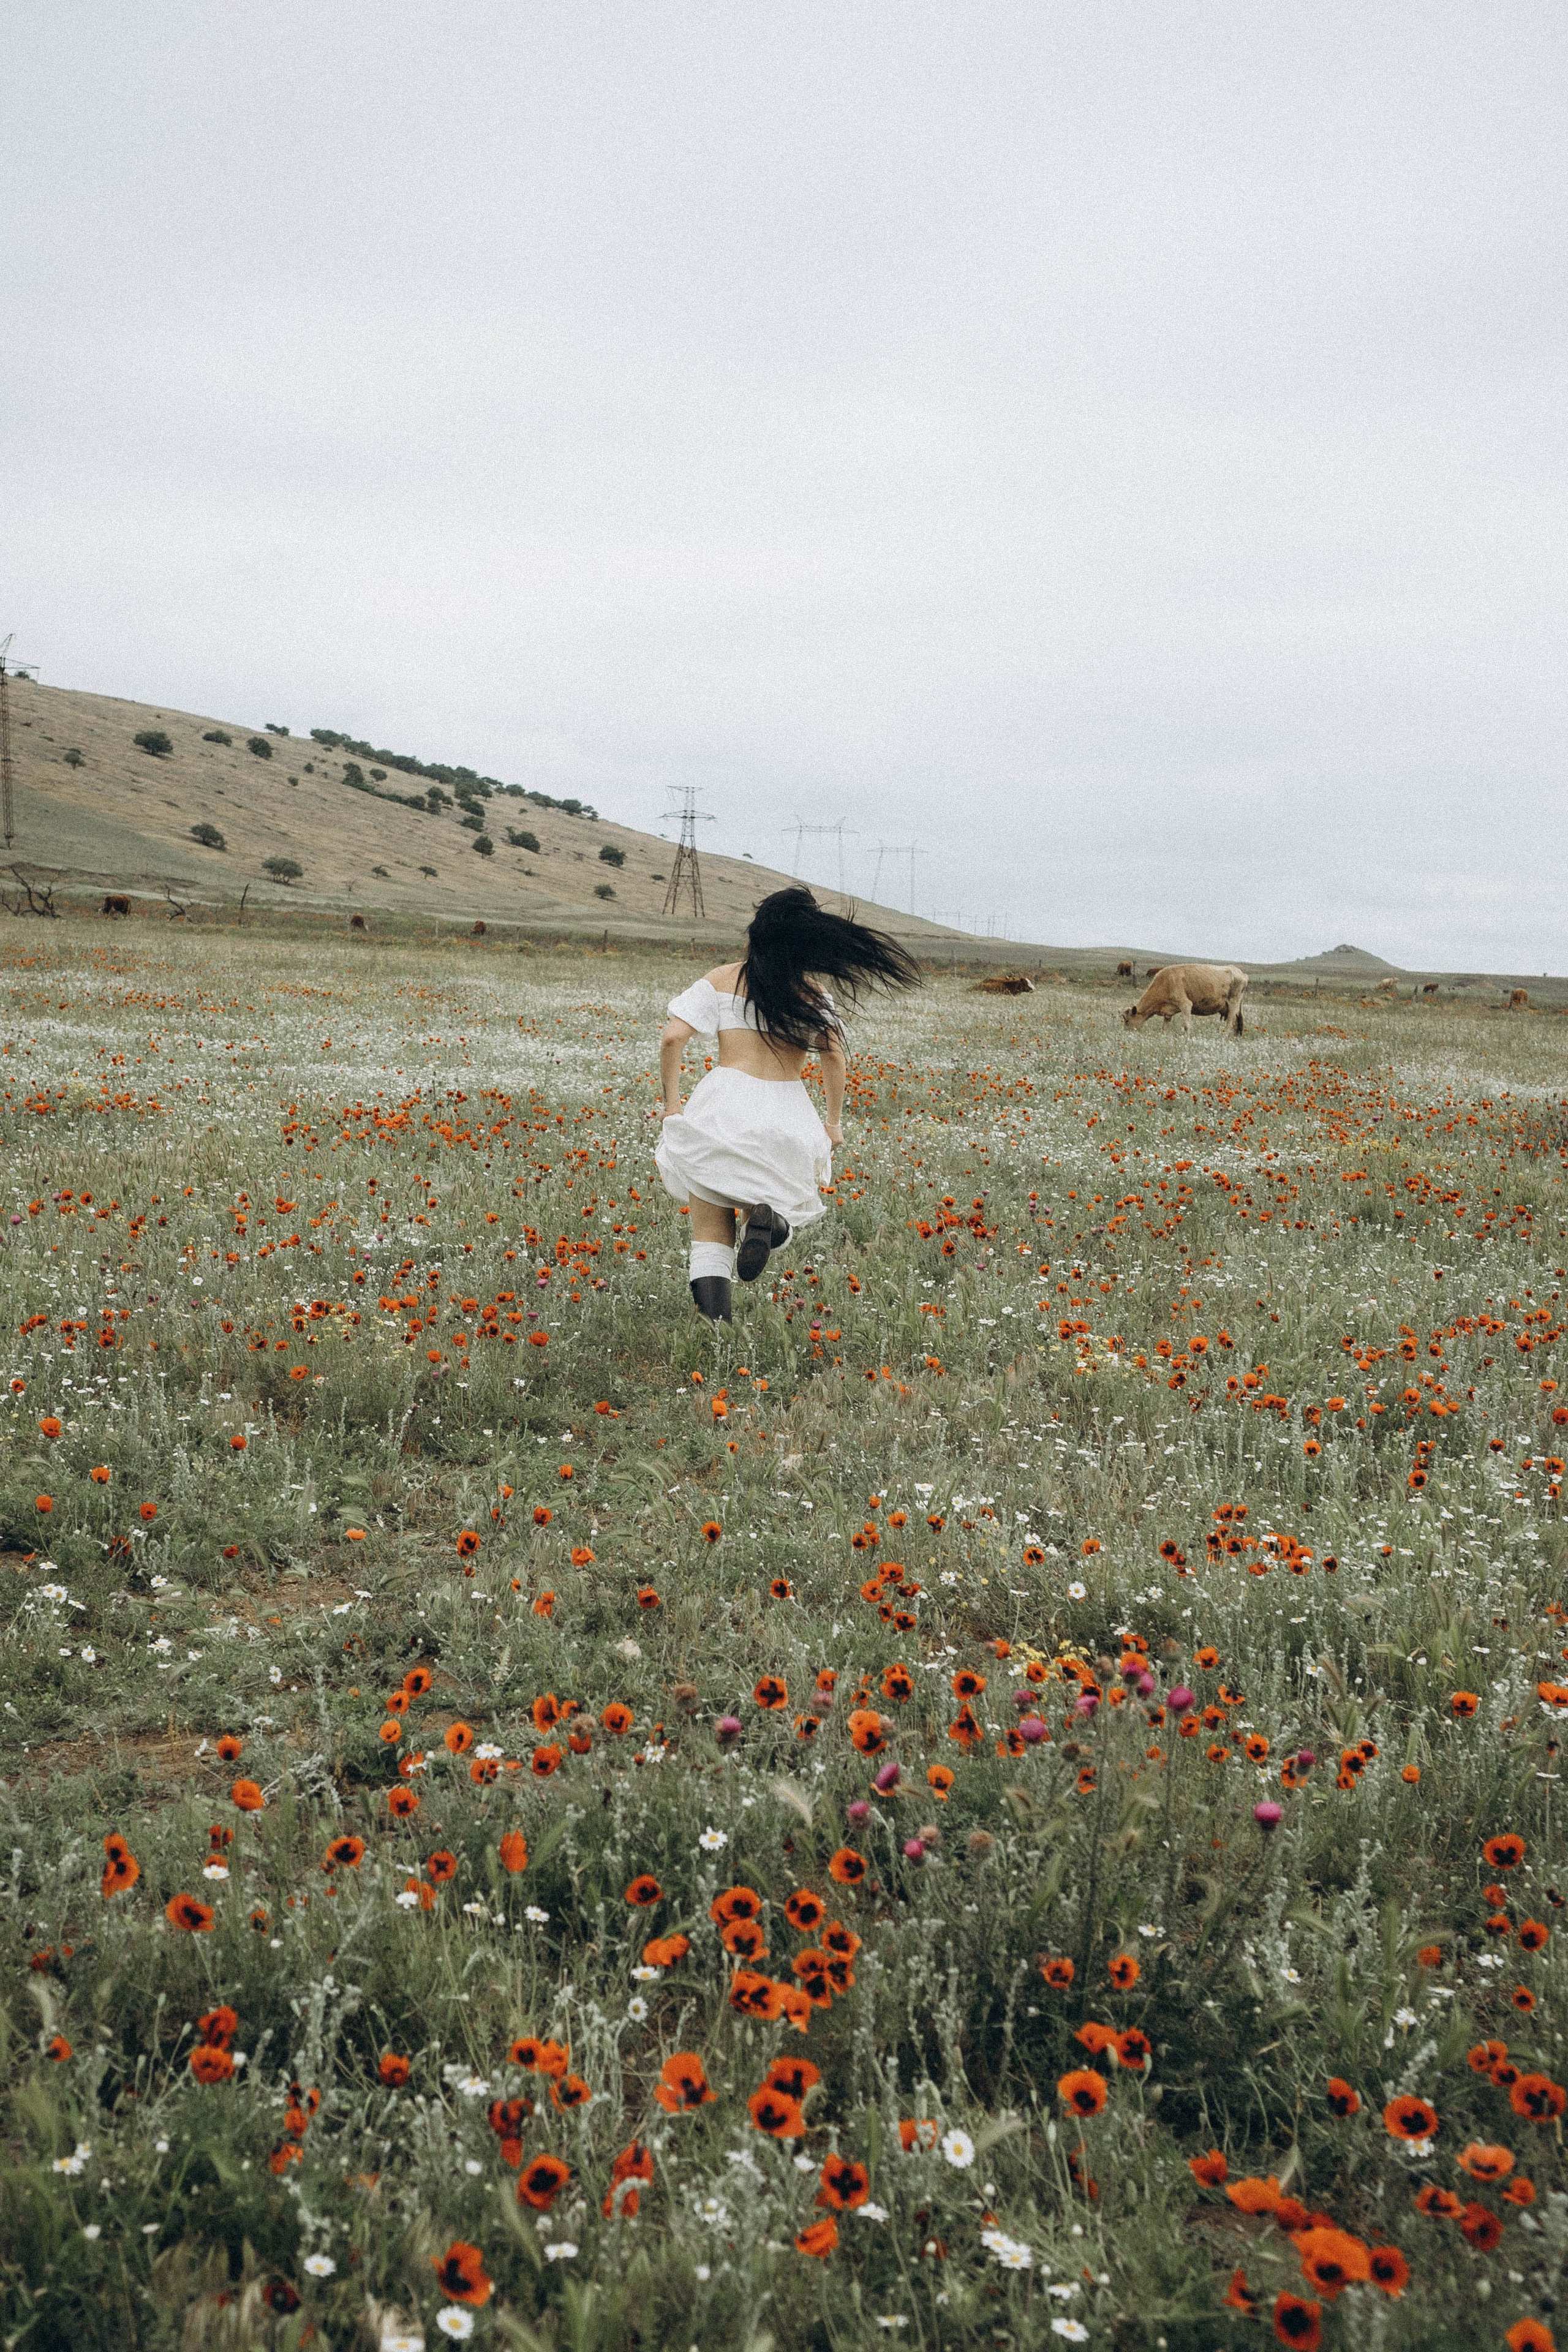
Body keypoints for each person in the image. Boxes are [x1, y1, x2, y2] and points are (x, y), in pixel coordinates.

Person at [655, 888, 921, 1321]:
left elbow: (672, 1038)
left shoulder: (722, 979)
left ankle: (716, 1329)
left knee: (710, 1229)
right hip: (788, 1113)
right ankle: (771, 1224)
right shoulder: (812, 993)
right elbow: (834, 1056)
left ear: (757, 932)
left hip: (724, 1106)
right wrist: (833, 1123)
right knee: (765, 1201)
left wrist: (672, 1104)